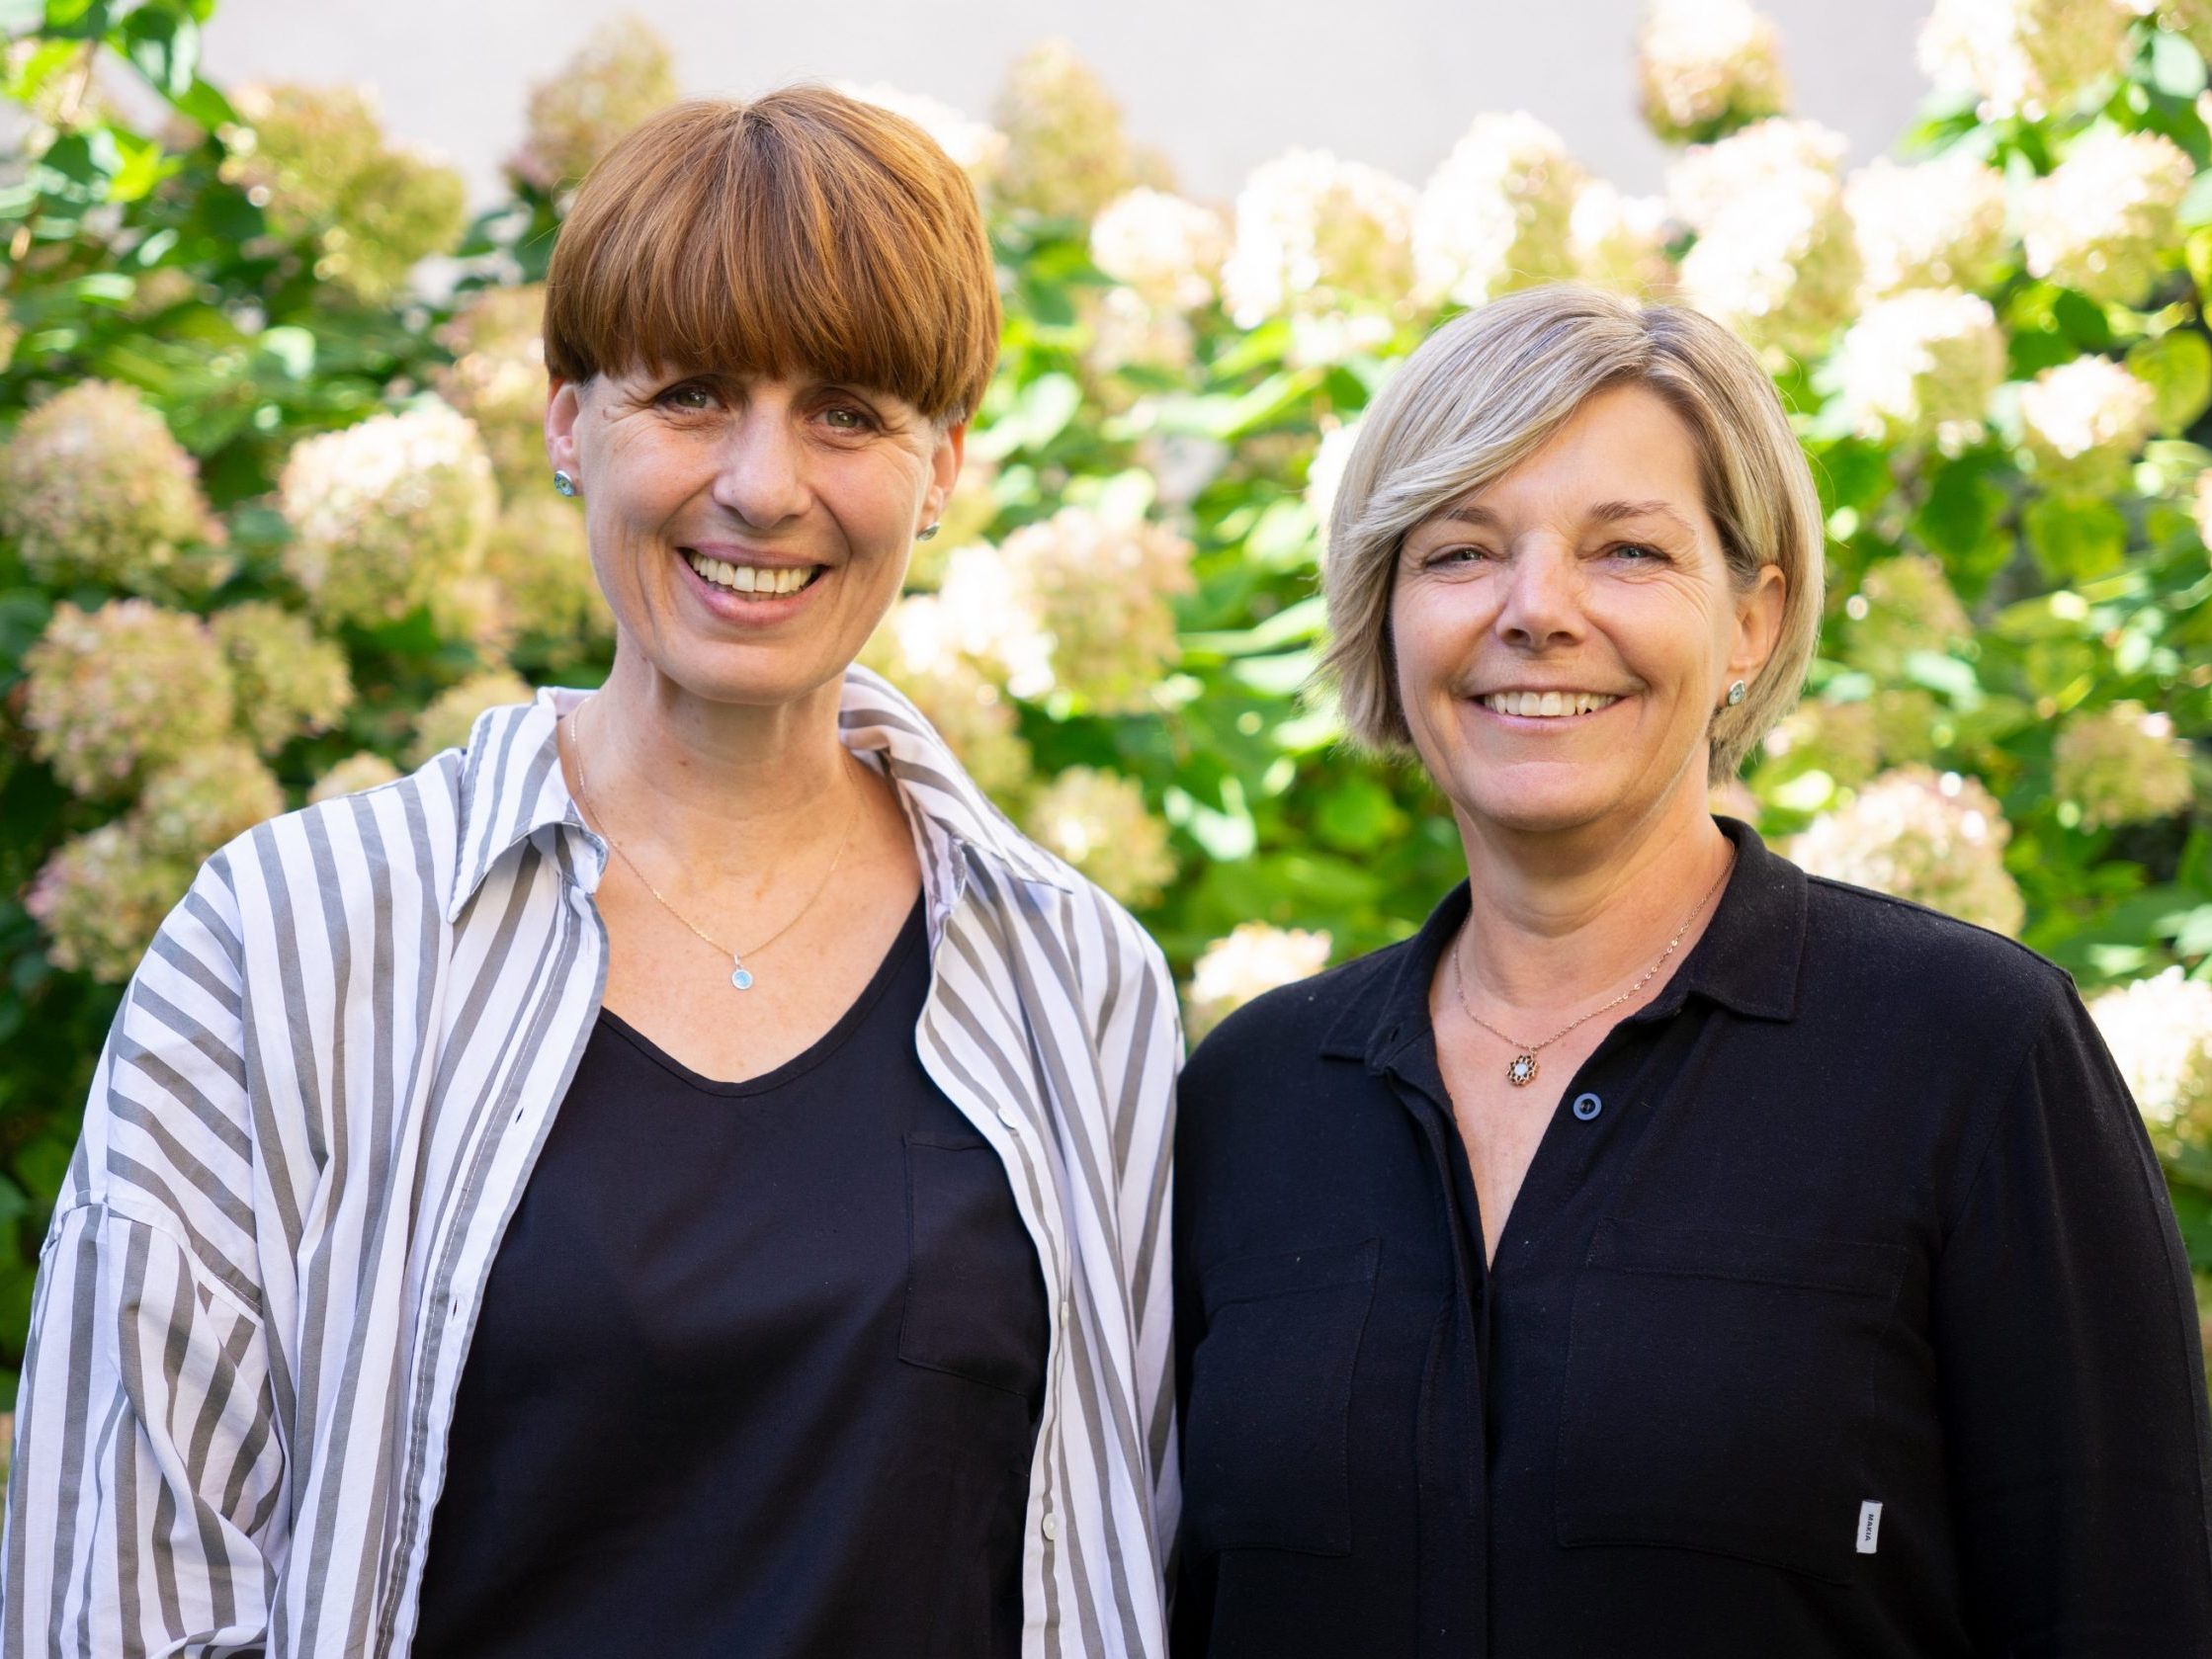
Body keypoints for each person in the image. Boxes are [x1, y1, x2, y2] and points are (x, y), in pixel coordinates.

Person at [3, 89, 1178, 1659]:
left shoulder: (1071, 979)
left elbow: (1127, 1551)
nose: (764, 485)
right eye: (691, 395)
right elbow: (119, 1597)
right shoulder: (291, 942)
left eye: (846, 412)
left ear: (945, 462)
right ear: (568, 423)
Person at [1170, 284, 2212, 1657]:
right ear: (1384, 612)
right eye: (1461, 552)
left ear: (1751, 621)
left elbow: (2120, 1606)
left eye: (1626, 554)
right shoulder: (1252, 1099)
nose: (1536, 612)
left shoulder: (1964, 1052)